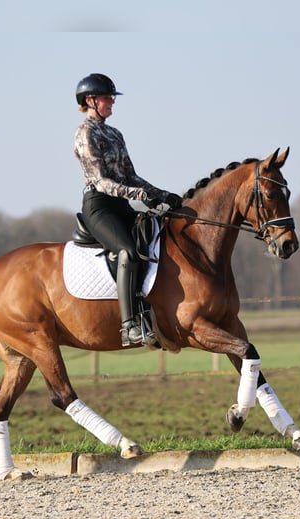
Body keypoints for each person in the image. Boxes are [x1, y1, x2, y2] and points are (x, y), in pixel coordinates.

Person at [74, 73, 182, 347]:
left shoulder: (114, 133)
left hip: (121, 204)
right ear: (91, 100)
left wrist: (160, 193)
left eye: (111, 98)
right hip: (99, 207)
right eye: (107, 98)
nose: (112, 102)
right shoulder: (85, 132)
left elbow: (131, 176)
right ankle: (129, 325)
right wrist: (138, 194)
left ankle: (151, 312)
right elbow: (100, 181)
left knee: (155, 240)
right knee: (127, 251)